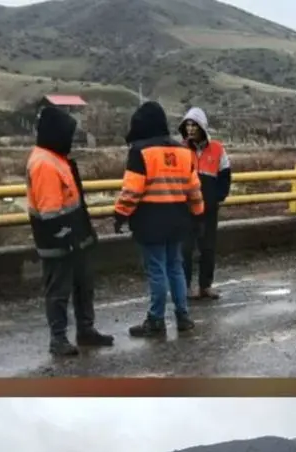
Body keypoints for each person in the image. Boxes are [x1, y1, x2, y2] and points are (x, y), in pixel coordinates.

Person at [114, 100, 206, 338]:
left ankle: (155, 320)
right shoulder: (183, 152)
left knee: (156, 270)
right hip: (178, 220)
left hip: (150, 221)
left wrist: (120, 214)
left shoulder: (140, 152)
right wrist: (198, 215)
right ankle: (183, 316)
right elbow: (194, 190)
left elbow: (132, 191)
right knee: (175, 267)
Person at [26, 104, 113, 356]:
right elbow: (50, 211)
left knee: (84, 286)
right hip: (59, 241)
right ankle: (58, 338)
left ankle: (85, 330)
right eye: (68, 134)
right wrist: (65, 237)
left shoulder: (57, 159)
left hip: (76, 238)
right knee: (59, 291)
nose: (72, 140)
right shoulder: (44, 163)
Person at [178, 107, 232, 300]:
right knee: (185, 249)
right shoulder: (181, 149)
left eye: (194, 125)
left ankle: (205, 286)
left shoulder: (217, 149)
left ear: (202, 127)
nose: (190, 129)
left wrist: (217, 197)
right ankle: (184, 287)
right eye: (188, 125)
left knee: (208, 247)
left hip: (209, 209)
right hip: (186, 209)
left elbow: (225, 176)